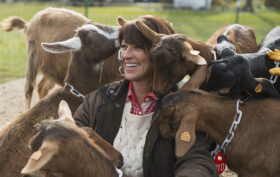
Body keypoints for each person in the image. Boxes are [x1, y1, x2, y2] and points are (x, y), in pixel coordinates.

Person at [73, 15, 218, 177]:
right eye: (124, 46)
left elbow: (196, 160)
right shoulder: (99, 100)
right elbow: (71, 133)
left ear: (161, 55)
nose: (126, 55)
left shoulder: (183, 109)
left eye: (137, 48)